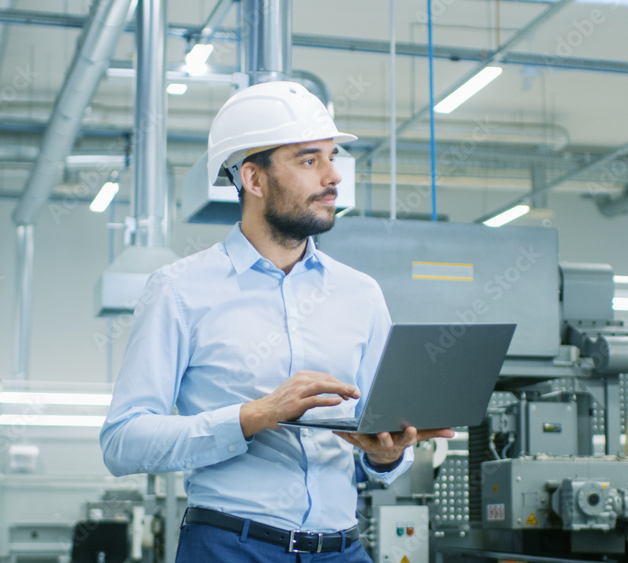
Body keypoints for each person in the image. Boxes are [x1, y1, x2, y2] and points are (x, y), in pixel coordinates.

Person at [100, 81, 453, 562]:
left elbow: (382, 436)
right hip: (229, 547)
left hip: (342, 549)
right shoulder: (179, 290)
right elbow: (122, 442)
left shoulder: (361, 294)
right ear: (254, 179)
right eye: (309, 160)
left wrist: (386, 454)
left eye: (332, 157)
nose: (333, 177)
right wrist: (253, 417)